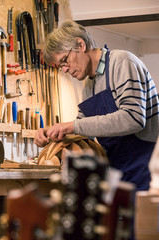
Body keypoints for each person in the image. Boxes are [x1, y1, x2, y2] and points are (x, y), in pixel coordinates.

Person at [34, 20, 159, 239]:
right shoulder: (89, 84)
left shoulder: (122, 62)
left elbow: (133, 118)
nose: (65, 70)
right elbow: (85, 129)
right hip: (118, 170)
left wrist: (72, 125)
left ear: (80, 45)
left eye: (65, 61)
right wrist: (54, 134)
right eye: (60, 67)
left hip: (145, 169)